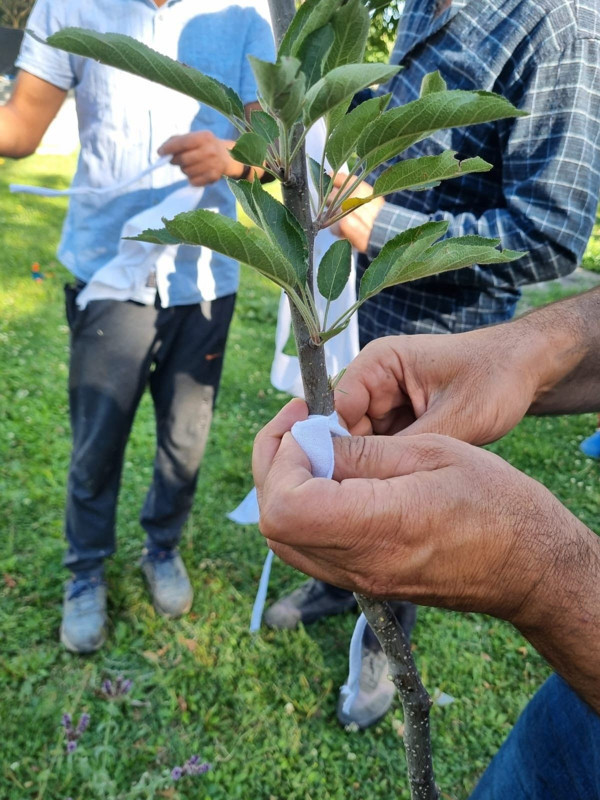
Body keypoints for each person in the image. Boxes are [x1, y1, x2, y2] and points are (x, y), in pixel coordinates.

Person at [264, 0, 600, 728]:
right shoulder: (421, 2)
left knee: (407, 507)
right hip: (364, 301)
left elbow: (551, 232)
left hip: (453, 330)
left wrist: (378, 221)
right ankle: (335, 589)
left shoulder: (560, 21)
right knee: (340, 463)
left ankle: (388, 644)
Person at [0, 0, 274, 653]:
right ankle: (85, 571)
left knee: (186, 438)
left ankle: (162, 547)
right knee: (97, 438)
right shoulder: (70, 6)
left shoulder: (243, 12)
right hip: (109, 272)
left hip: (203, 275)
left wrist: (234, 158)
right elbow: (20, 129)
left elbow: (275, 149)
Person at [253, 286, 600, 797]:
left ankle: (378, 643)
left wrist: (541, 573)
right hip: (573, 704)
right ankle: (333, 593)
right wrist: (532, 350)